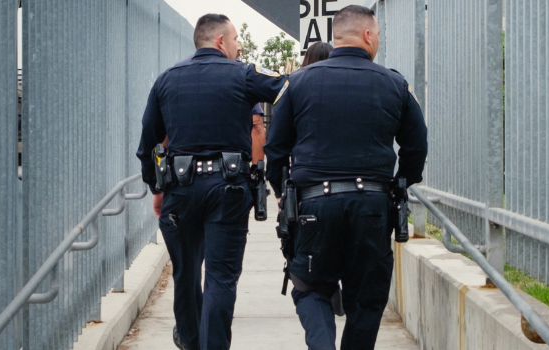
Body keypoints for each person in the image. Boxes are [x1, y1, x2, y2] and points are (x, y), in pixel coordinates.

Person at [263, 5, 427, 350]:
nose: (378, 40)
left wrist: (282, 192)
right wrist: (401, 183)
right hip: (372, 205)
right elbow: (416, 145)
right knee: (366, 300)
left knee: (310, 288)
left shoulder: (299, 82)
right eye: (378, 34)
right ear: (368, 35)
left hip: (313, 208)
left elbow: (275, 148)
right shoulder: (394, 83)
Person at [133, 13, 285, 350]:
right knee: (220, 277)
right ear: (220, 41)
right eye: (236, 40)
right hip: (229, 189)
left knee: (185, 275)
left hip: (181, 189)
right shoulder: (244, 75)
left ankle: (190, 341)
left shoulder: (166, 80)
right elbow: (289, 90)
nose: (239, 45)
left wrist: (157, 187)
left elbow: (148, 145)